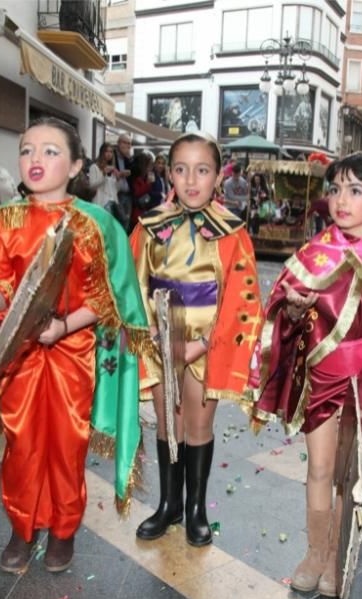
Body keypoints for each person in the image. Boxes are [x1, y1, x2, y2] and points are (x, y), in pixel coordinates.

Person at [0, 117, 148, 573]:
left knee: (66, 445)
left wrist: (63, 326)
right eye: (27, 149)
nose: (35, 160)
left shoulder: (97, 224)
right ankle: (21, 529)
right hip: (17, 358)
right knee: (21, 446)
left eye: (50, 151)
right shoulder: (1, 221)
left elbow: (111, 297)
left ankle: (62, 531)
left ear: (77, 164)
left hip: (72, 355)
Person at [250, 152, 362, 597]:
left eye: (356, 191)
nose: (341, 201)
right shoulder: (315, 251)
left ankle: (338, 553)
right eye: (336, 189)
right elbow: (282, 307)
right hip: (320, 379)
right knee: (319, 470)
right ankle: (315, 552)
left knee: (347, 475)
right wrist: (292, 309)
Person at [130, 131, 262, 547]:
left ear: (217, 176)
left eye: (202, 170)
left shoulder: (232, 232)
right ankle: (169, 504)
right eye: (181, 169)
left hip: (209, 345)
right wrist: (156, 336)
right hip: (161, 342)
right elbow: (133, 286)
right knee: (170, 421)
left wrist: (202, 344)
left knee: (199, 423)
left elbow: (242, 299)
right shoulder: (150, 227)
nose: (191, 180)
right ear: (168, 172)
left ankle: (196, 509)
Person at [88, 142, 122, 223]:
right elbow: (92, 186)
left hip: (113, 204)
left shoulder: (113, 168)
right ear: (102, 152)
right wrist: (103, 174)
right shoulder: (94, 167)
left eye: (111, 152)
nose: (109, 154)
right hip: (101, 204)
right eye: (107, 151)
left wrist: (118, 179)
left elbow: (117, 190)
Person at [129, 152, 154, 229]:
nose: (150, 168)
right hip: (136, 212)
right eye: (149, 165)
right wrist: (148, 184)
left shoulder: (145, 177)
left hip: (143, 211)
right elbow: (137, 192)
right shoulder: (136, 177)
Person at [114, 134, 134, 223]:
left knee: (126, 221)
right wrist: (119, 174)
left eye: (129, 144)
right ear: (118, 143)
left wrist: (130, 159)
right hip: (116, 193)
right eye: (125, 143)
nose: (128, 146)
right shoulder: (112, 155)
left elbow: (135, 173)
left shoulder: (129, 158)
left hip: (128, 194)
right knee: (118, 220)